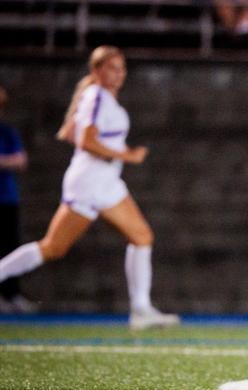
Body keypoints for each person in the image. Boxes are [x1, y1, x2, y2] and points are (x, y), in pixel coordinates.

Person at [0, 46, 179, 330]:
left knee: (142, 236)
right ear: (96, 70)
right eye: (112, 68)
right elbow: (86, 141)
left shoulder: (100, 98)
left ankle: (141, 310)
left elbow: (74, 133)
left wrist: (115, 154)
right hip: (89, 182)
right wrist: (127, 155)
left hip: (106, 181)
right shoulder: (96, 96)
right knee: (53, 247)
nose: (119, 74)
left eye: (122, 68)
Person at [0, 86, 37, 314]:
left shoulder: (6, 133)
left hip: (6, 198)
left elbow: (20, 160)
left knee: (9, 246)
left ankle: (11, 294)